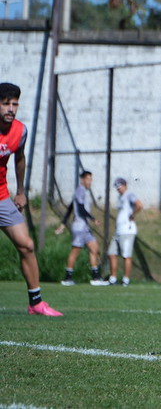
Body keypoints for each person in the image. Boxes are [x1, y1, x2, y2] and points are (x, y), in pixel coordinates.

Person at [0, 82, 63, 316]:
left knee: (27, 245)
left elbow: (19, 159)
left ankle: (36, 303)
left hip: (2, 196)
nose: (11, 109)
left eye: (15, 104)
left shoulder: (20, 131)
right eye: (6, 103)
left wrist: (20, 191)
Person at [55, 170, 108, 286]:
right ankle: (67, 278)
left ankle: (95, 278)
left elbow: (70, 208)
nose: (90, 182)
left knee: (95, 249)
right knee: (75, 251)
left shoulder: (82, 191)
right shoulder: (80, 190)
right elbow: (79, 208)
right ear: (82, 180)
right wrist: (93, 218)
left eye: (91, 179)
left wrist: (63, 223)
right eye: (88, 179)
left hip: (85, 227)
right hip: (79, 227)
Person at [107, 177, 142, 286]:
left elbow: (139, 205)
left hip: (127, 230)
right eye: (117, 187)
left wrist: (132, 214)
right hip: (119, 231)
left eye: (120, 186)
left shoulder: (129, 194)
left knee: (126, 255)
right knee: (111, 253)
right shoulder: (120, 197)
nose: (118, 189)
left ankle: (125, 279)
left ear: (125, 185)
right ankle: (113, 278)